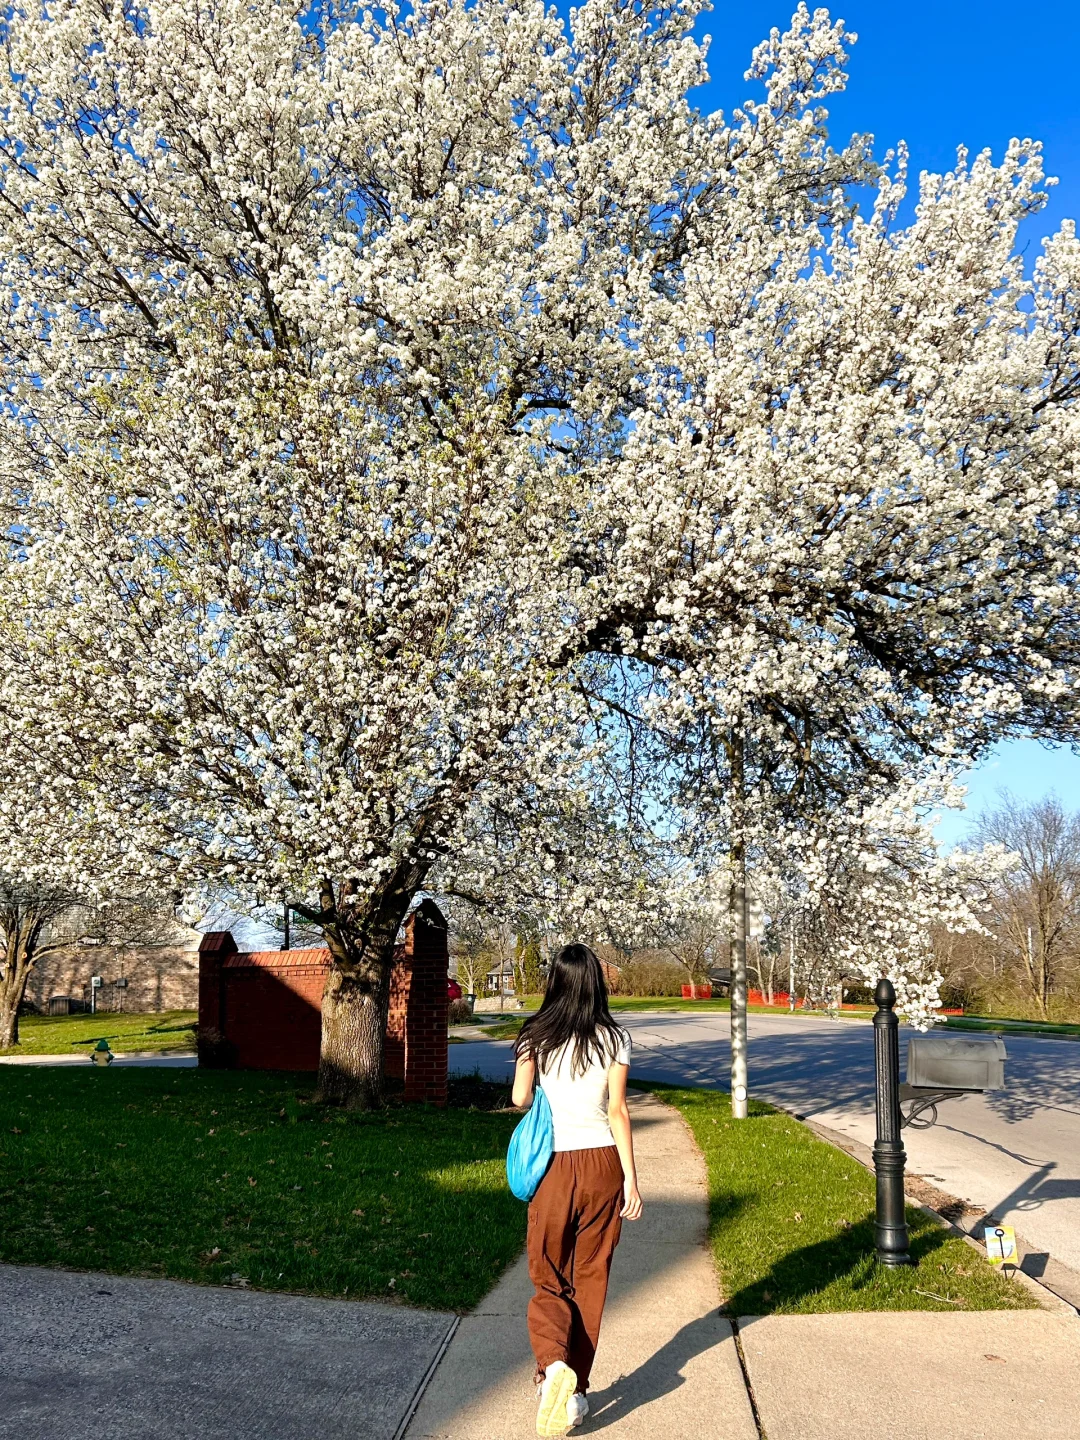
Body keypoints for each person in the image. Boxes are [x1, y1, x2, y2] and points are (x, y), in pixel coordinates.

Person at [511, 943, 643, 1437]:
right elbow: (618, 1111)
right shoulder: (614, 1037)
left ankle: (552, 1369)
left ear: (555, 982)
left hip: (553, 1167)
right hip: (604, 1164)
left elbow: (520, 1097)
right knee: (591, 1277)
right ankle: (577, 1391)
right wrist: (631, 1178)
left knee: (548, 1275)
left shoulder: (535, 1035)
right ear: (595, 984)